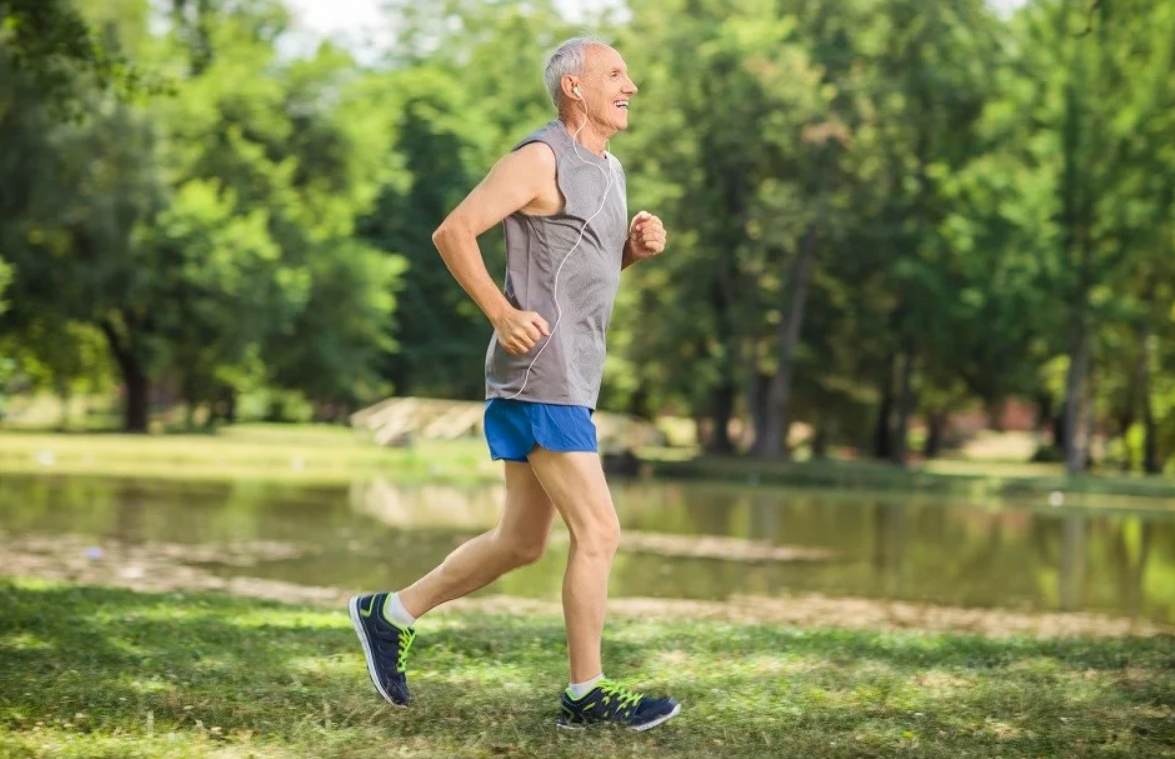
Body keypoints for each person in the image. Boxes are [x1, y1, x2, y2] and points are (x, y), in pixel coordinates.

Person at [348, 36, 680, 732]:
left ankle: (391, 612)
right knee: (599, 531)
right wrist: (500, 313)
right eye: (616, 74)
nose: (632, 85)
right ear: (573, 87)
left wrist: (631, 253)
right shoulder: (539, 158)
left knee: (521, 542)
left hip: (566, 376)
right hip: (541, 375)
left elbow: (577, 277)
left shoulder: (609, 169)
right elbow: (453, 231)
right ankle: (585, 692)